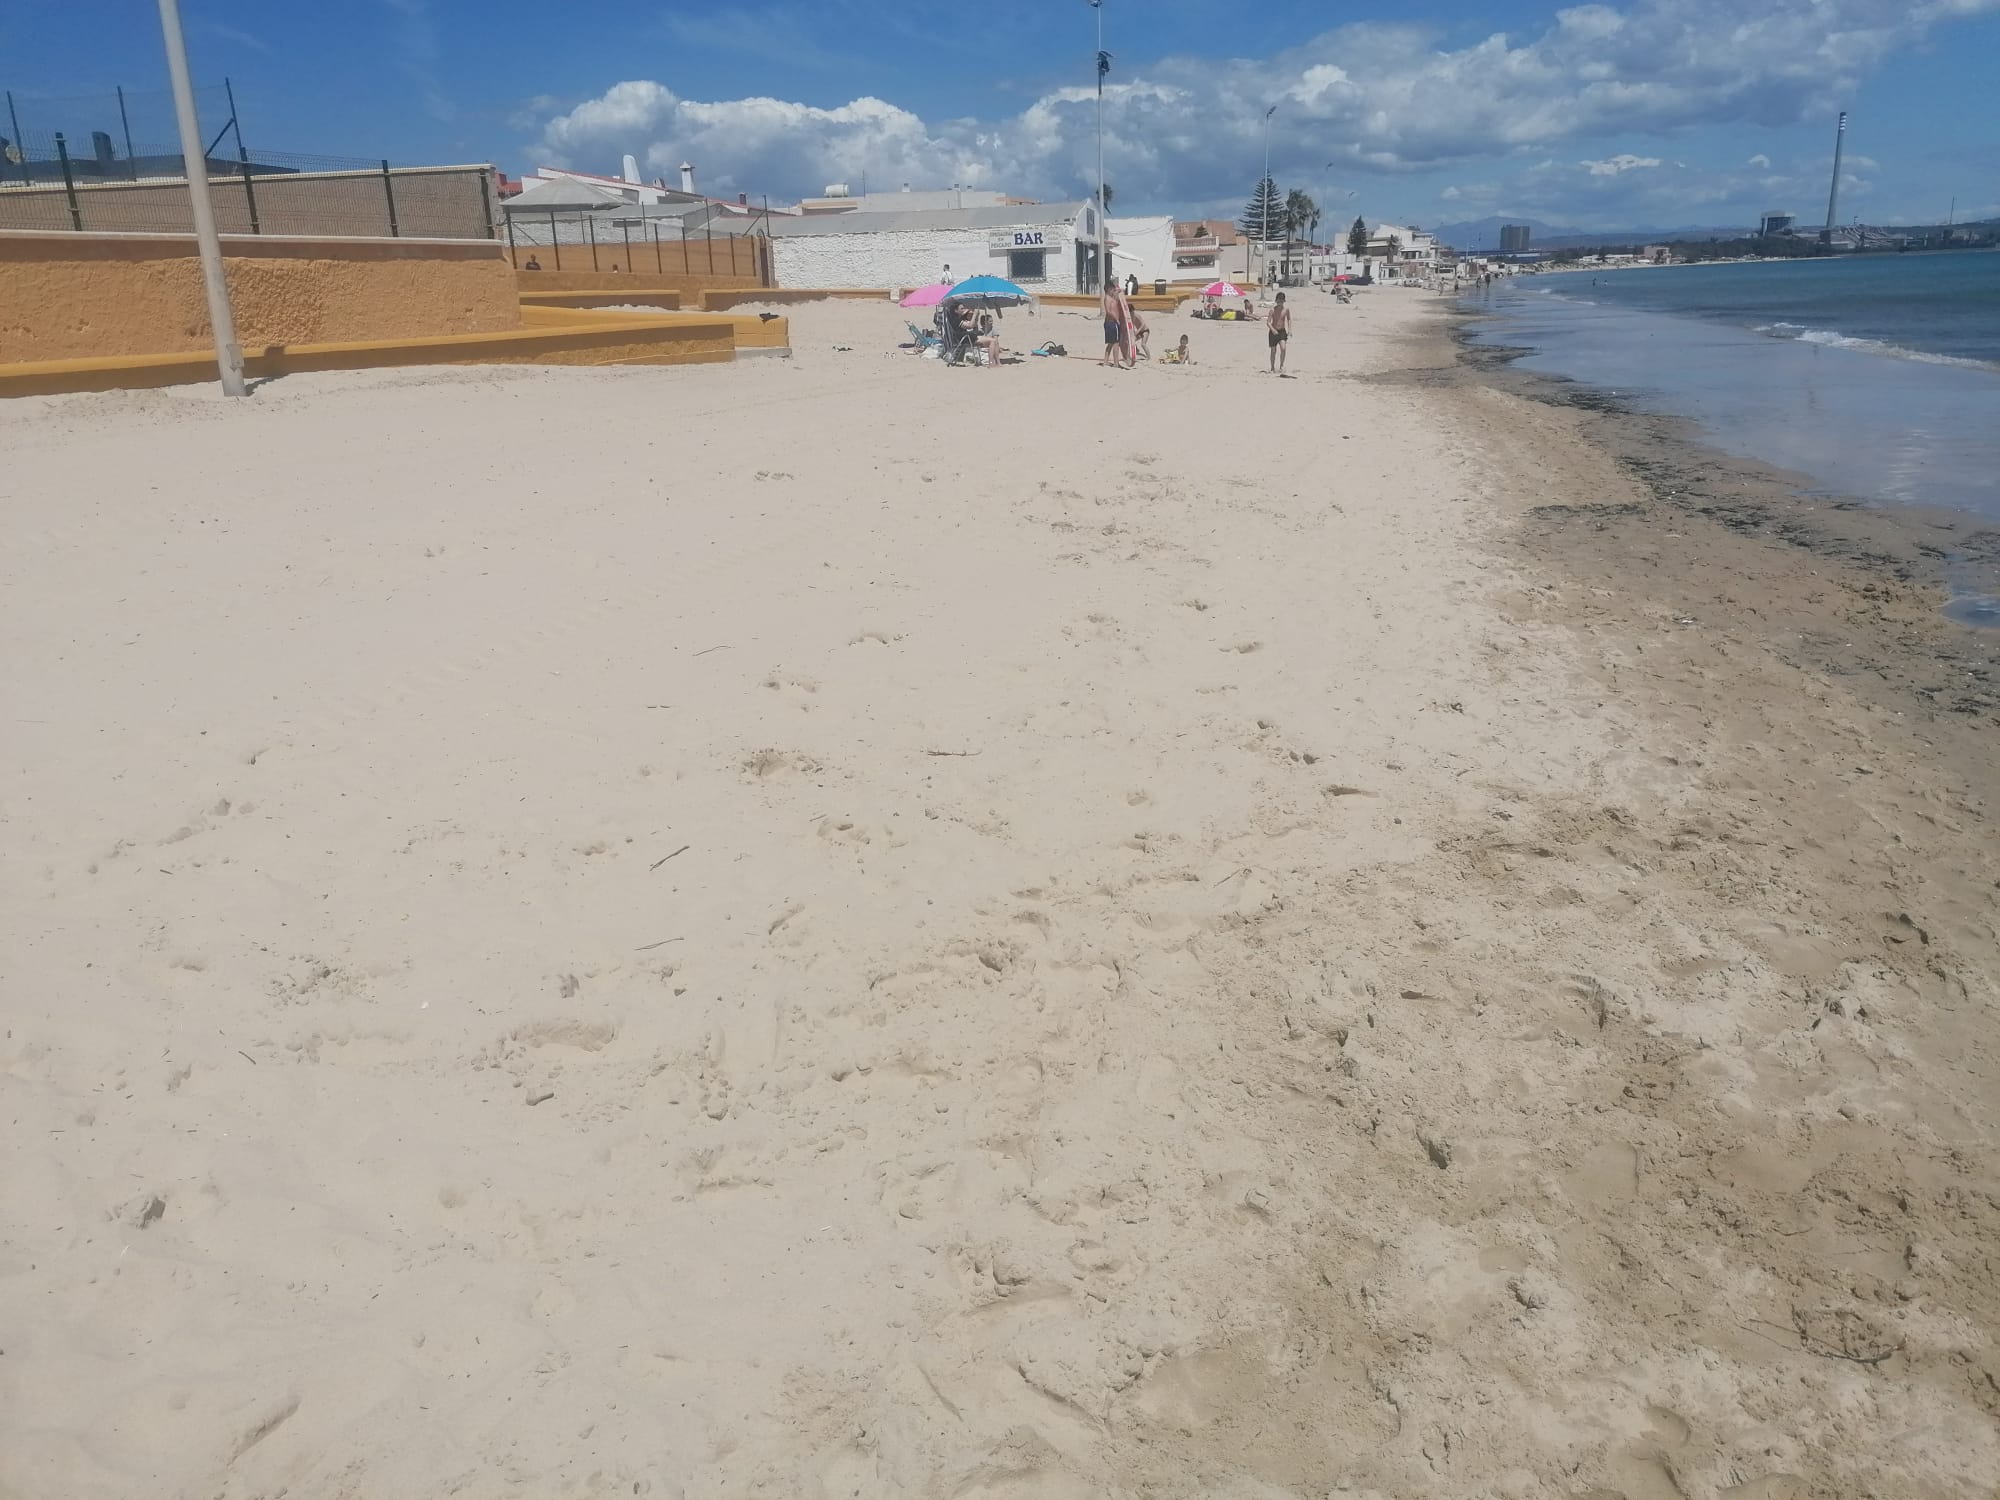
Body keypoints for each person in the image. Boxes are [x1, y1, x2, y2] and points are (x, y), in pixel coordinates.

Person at [1101, 281, 1128, 368]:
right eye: (1112, 290)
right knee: (1115, 343)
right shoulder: (1107, 298)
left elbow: (1120, 291)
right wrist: (1116, 319)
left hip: (1114, 323)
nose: (1113, 291)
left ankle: (1105, 361)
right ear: (1109, 290)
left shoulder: (1113, 297)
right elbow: (1108, 311)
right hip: (1111, 323)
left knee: (1111, 343)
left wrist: (1118, 289)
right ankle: (1116, 363)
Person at [1267, 291, 1291, 375]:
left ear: (1284, 301)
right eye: (1278, 301)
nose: (1280, 303)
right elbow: (1268, 322)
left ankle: (1281, 366)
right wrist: (1273, 329)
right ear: (1276, 301)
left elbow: (1289, 319)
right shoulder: (1272, 310)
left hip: (1282, 331)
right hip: (1273, 331)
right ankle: (1272, 367)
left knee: (1283, 348)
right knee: (1273, 350)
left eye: (1281, 301)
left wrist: (1290, 330)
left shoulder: (1286, 310)